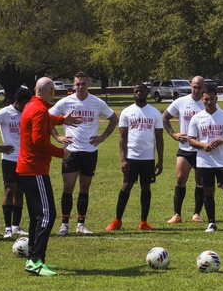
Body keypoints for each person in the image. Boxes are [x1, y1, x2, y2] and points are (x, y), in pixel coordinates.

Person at [18, 77, 79, 276]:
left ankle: (33, 259)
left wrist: (62, 120)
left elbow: (46, 120)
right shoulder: (39, 110)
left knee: (38, 216)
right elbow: (37, 140)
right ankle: (35, 261)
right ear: (52, 91)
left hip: (27, 170)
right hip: (34, 170)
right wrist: (61, 153)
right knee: (47, 215)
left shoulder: (32, 106)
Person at [50, 72, 118, 235]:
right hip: (71, 151)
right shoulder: (66, 102)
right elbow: (47, 118)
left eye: (83, 83)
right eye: (77, 84)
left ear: (88, 85)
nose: (80, 86)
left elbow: (114, 119)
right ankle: (64, 224)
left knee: (84, 187)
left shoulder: (97, 102)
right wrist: (58, 136)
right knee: (68, 187)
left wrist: (103, 136)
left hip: (90, 151)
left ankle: (81, 224)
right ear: (73, 85)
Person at [186, 83, 223, 233]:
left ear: (216, 98)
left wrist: (222, 140)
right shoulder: (196, 118)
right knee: (208, 192)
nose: (209, 102)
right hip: (204, 162)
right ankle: (211, 222)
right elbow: (190, 139)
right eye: (206, 100)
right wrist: (202, 145)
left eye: (211, 99)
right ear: (202, 100)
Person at [107, 84, 164, 232]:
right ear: (133, 93)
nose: (139, 93)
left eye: (142, 90)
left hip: (148, 159)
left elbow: (159, 138)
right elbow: (122, 137)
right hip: (131, 157)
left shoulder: (155, 113)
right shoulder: (127, 112)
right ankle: (117, 220)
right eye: (136, 91)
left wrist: (160, 160)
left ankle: (144, 222)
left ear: (148, 92)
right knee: (126, 186)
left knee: (146, 187)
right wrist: (123, 159)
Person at [0, 87, 33, 238]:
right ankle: (7, 228)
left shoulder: (28, 113)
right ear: (17, 102)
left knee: (20, 191)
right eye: (25, 104)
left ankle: (16, 226)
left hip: (25, 159)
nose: (27, 107)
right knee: (9, 190)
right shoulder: (5, 113)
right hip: (10, 159)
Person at [162, 76, 206, 224]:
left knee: (200, 182)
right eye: (194, 86)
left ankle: (196, 213)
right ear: (190, 86)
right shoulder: (181, 102)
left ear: (203, 88)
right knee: (180, 179)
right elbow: (164, 117)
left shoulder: (207, 103)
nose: (196, 89)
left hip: (201, 149)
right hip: (185, 148)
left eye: (199, 87)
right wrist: (173, 134)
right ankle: (177, 214)